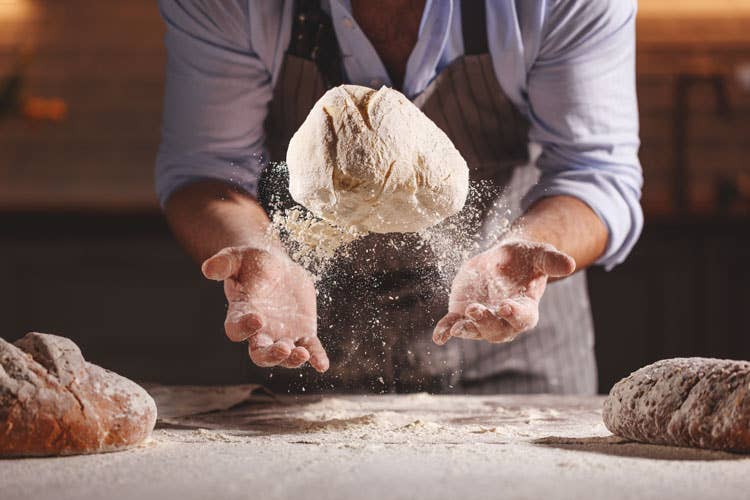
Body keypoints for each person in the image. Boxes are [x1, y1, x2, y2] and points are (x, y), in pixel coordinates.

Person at [155, 0, 643, 394]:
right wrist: (259, 252)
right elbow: (209, 171)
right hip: (306, 346)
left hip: (510, 341)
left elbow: (593, 173)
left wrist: (526, 251)